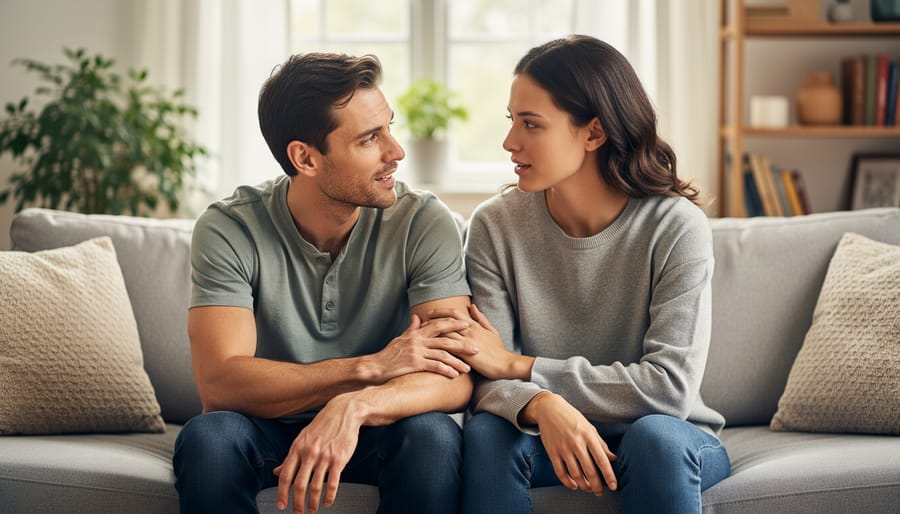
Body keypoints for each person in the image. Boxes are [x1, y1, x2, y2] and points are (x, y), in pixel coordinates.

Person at [172, 52, 479, 514]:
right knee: (209, 440)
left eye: (388, 128)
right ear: (305, 158)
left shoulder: (423, 221)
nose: (396, 152)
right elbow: (221, 384)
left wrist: (355, 407)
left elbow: (455, 377)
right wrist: (367, 368)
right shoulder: (229, 227)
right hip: (267, 426)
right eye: (370, 138)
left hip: (380, 425)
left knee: (434, 436)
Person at [436, 35, 731, 514]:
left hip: (670, 437)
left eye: (532, 124)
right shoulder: (495, 225)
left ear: (593, 133)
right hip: (544, 430)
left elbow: (669, 390)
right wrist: (542, 406)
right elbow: (484, 377)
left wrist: (522, 366)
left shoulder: (676, 227)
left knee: (654, 438)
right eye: (512, 121)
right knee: (491, 434)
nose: (510, 142)